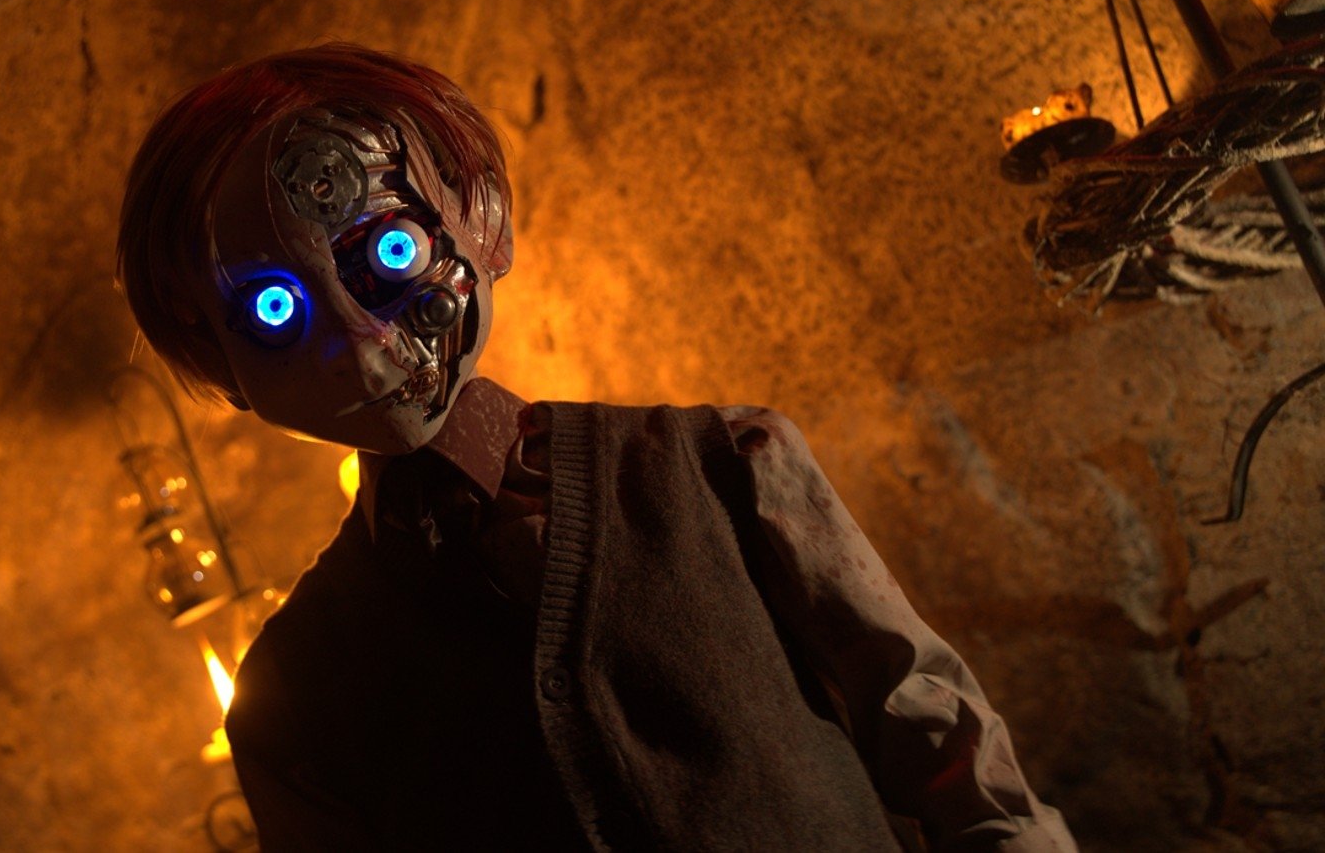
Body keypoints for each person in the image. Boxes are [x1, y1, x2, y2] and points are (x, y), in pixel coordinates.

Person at [116, 43, 1079, 852]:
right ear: (222, 370)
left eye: (390, 250)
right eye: (272, 311)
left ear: (482, 218)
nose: (364, 346)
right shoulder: (294, 699)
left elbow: (936, 729)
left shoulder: (722, 467)